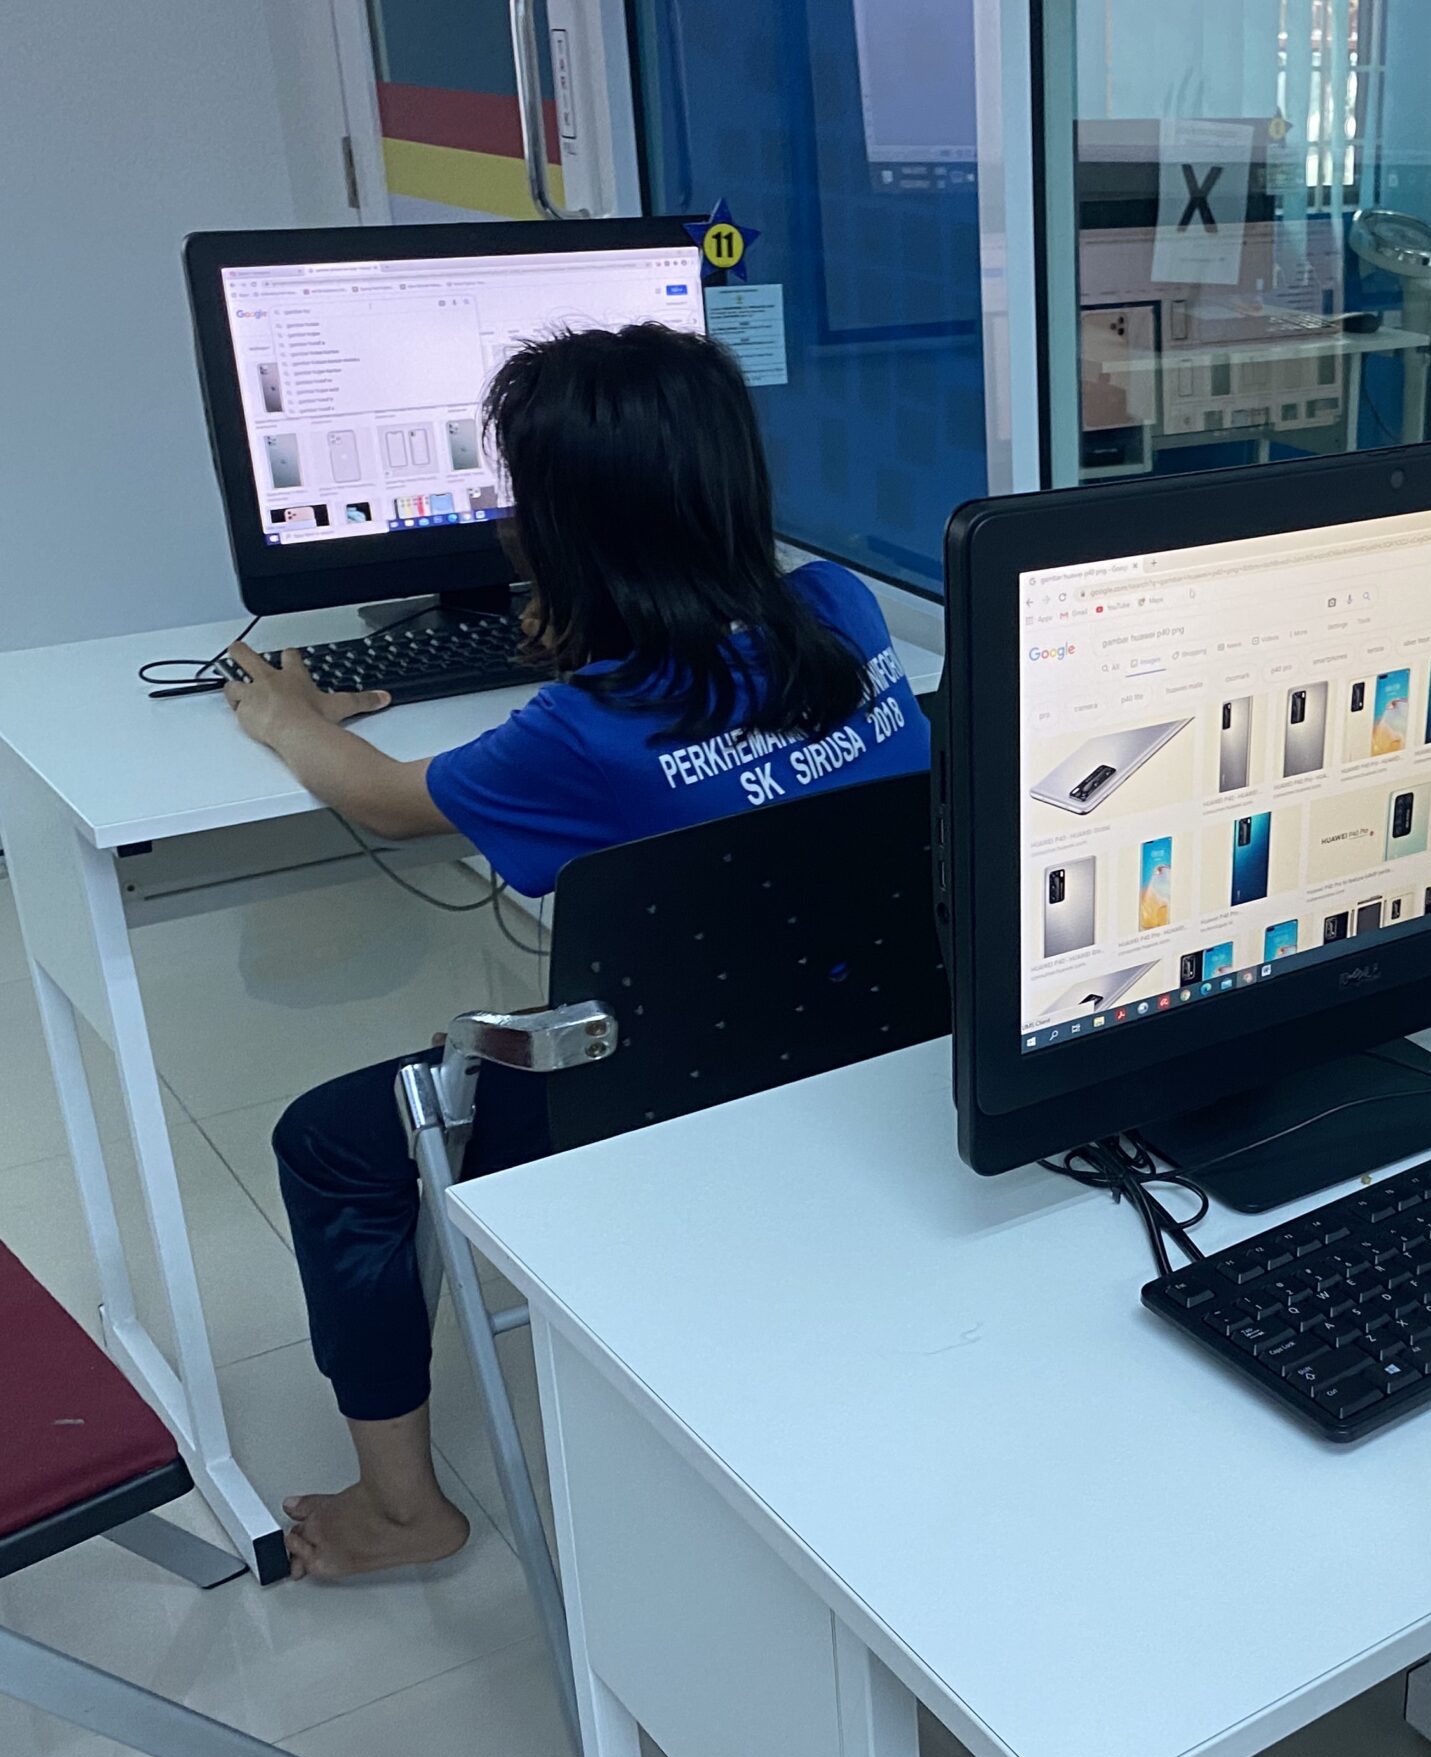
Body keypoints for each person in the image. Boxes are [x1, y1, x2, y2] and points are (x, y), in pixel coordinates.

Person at [220, 323, 930, 1579]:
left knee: (328, 1140)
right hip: (877, 1055)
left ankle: (404, 1515)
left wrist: (288, 715)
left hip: (669, 1105)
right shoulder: (843, 612)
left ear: (557, 530)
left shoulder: (585, 731)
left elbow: (384, 801)